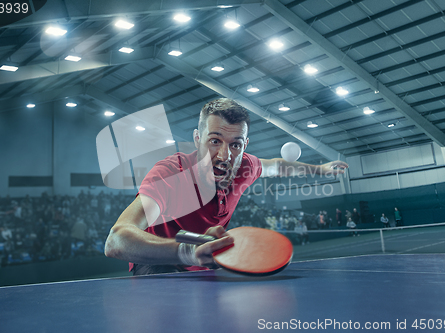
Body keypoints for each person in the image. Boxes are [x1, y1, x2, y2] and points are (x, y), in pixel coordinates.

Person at [104, 98, 348, 275]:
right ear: (197, 140)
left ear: (245, 146)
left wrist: (321, 169)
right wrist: (187, 252)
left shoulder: (245, 167)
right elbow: (116, 241)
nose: (224, 155)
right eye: (214, 141)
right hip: (158, 262)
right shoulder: (171, 173)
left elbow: (277, 166)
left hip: (203, 262)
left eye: (235, 145)